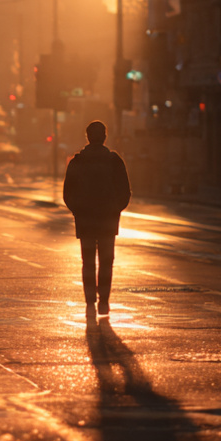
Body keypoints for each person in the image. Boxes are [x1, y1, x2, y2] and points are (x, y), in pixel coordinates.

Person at [63, 120, 132, 318]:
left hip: (85, 220)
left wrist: (78, 210)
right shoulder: (114, 161)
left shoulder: (78, 161)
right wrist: (115, 209)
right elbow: (124, 191)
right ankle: (104, 301)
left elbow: (68, 192)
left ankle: (90, 301)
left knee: (88, 262)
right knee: (106, 261)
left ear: (88, 137)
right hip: (108, 220)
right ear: (104, 137)